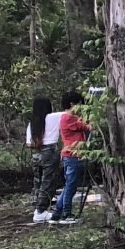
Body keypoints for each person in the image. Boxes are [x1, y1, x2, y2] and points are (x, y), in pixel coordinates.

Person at [50, 92, 90, 225]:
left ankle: (57, 213)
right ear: (73, 104)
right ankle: (67, 213)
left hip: (73, 155)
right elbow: (86, 126)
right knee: (71, 187)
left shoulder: (70, 118)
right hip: (72, 156)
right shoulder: (68, 118)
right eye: (79, 104)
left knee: (69, 186)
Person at [27, 94, 63, 224]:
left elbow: (29, 142)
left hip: (36, 153)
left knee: (38, 182)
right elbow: (71, 113)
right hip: (49, 152)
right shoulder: (53, 117)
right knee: (48, 182)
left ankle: (38, 208)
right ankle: (41, 212)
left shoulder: (33, 122)